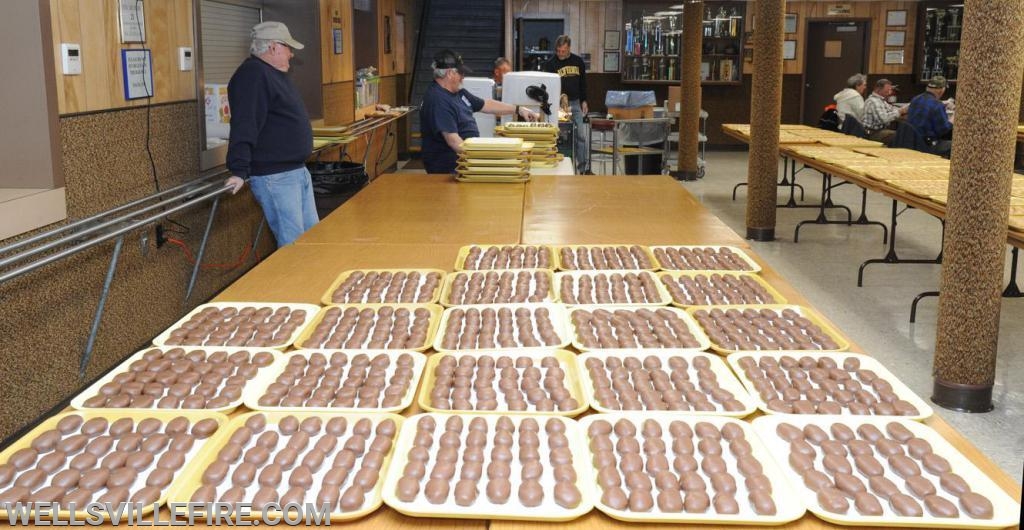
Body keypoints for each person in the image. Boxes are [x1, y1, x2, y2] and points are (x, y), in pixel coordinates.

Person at [224, 21, 316, 247]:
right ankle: (297, 284)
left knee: (313, 241)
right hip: (276, 177)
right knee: (294, 246)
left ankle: (313, 283)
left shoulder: (272, 74)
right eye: (288, 48)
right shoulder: (252, 75)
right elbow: (245, 123)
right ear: (273, 48)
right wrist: (238, 169)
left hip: (295, 172)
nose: (292, 55)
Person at [420, 50, 538, 175]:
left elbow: (486, 104)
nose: (463, 77)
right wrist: (486, 159)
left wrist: (519, 109)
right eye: (461, 73)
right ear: (450, 73)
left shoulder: (458, 93)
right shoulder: (438, 100)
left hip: (465, 163)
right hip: (450, 170)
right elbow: (454, 141)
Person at [543, 35, 590, 174]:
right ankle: (560, 166)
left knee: (581, 135)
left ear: (569, 48)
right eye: (558, 51)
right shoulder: (550, 64)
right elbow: (547, 86)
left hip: (576, 103)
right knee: (559, 136)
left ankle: (583, 168)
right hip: (558, 105)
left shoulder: (578, 61)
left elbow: (583, 83)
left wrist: (584, 101)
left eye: (563, 51)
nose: (560, 54)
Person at [906, 75, 954, 156]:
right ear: (941, 90)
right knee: (957, 146)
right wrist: (953, 118)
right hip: (927, 145)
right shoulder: (937, 105)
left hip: (911, 142)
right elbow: (943, 130)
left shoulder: (915, 99)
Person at [861, 78, 908, 146]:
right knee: (901, 136)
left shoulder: (880, 100)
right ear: (878, 89)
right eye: (887, 90)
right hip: (872, 133)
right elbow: (884, 119)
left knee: (902, 134)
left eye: (890, 89)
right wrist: (900, 112)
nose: (889, 92)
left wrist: (902, 112)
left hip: (877, 131)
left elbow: (891, 109)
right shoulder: (874, 101)